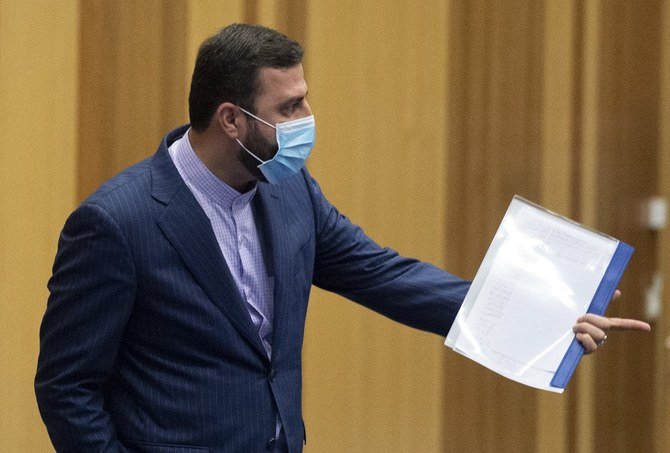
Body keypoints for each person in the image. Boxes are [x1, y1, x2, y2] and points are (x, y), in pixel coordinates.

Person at [35, 23, 651, 453]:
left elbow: (384, 275)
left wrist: (540, 316)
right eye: (291, 108)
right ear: (231, 119)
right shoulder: (118, 223)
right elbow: (67, 385)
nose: (308, 122)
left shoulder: (289, 190)